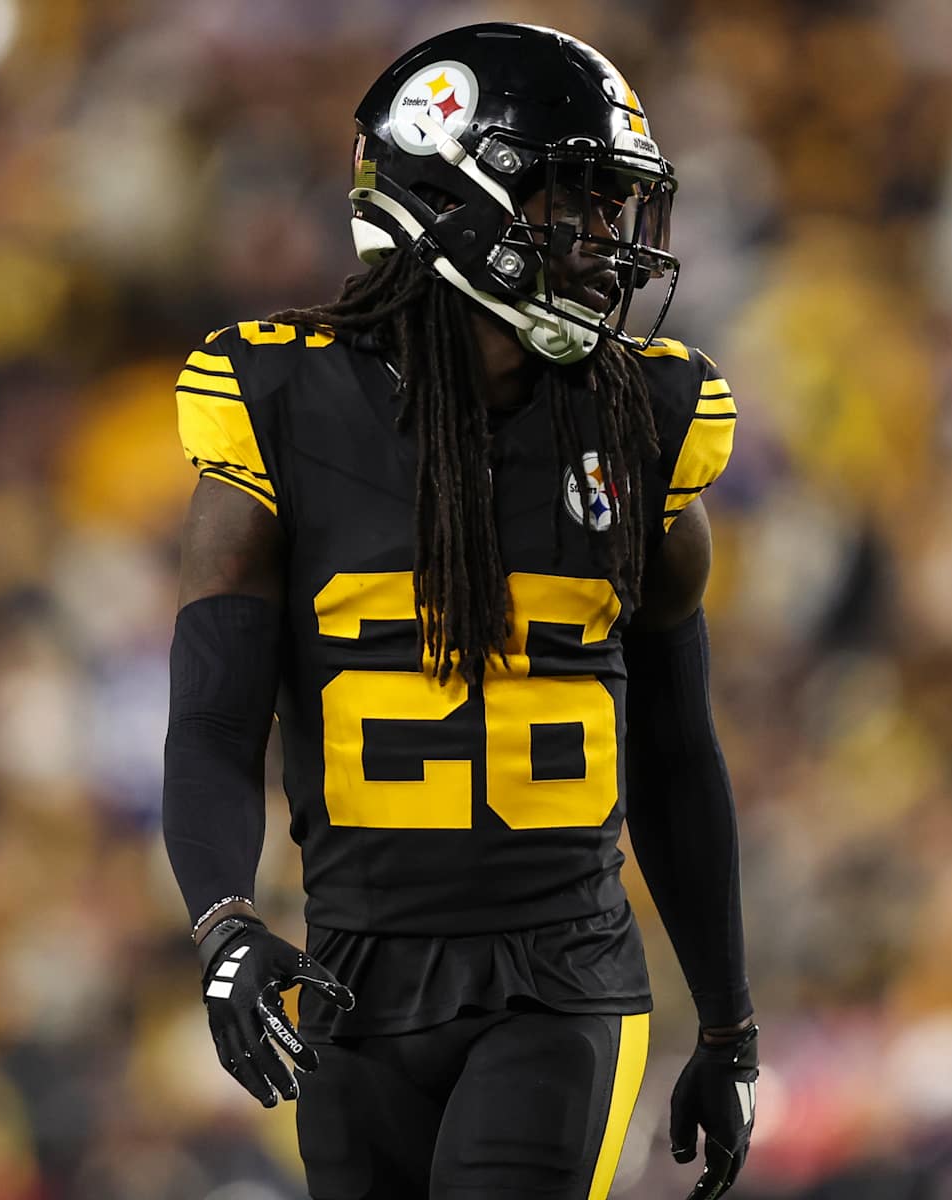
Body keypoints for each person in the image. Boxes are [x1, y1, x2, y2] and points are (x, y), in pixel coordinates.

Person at [162, 22, 756, 1200]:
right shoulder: (286, 402)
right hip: (355, 984)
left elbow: (677, 754)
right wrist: (224, 921)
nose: (606, 243)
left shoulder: (646, 419)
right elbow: (217, 721)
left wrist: (729, 1024)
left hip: (562, 983)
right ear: (452, 195)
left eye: (612, 206)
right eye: (570, 203)